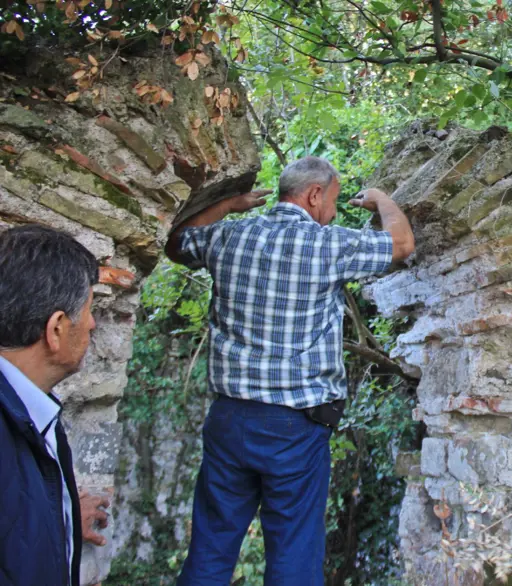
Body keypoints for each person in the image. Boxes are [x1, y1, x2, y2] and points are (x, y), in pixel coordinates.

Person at [166, 156, 415, 585]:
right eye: (333, 201)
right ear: (314, 195)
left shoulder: (228, 237)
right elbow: (402, 244)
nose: (334, 212)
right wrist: (382, 199)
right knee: (293, 555)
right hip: (294, 428)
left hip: (229, 420)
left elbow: (177, 242)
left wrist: (228, 206)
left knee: (210, 548)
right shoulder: (327, 244)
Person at [0, 225, 111, 586]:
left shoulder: (32, 408)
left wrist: (56, 519)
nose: (93, 324)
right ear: (57, 329)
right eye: (88, 309)